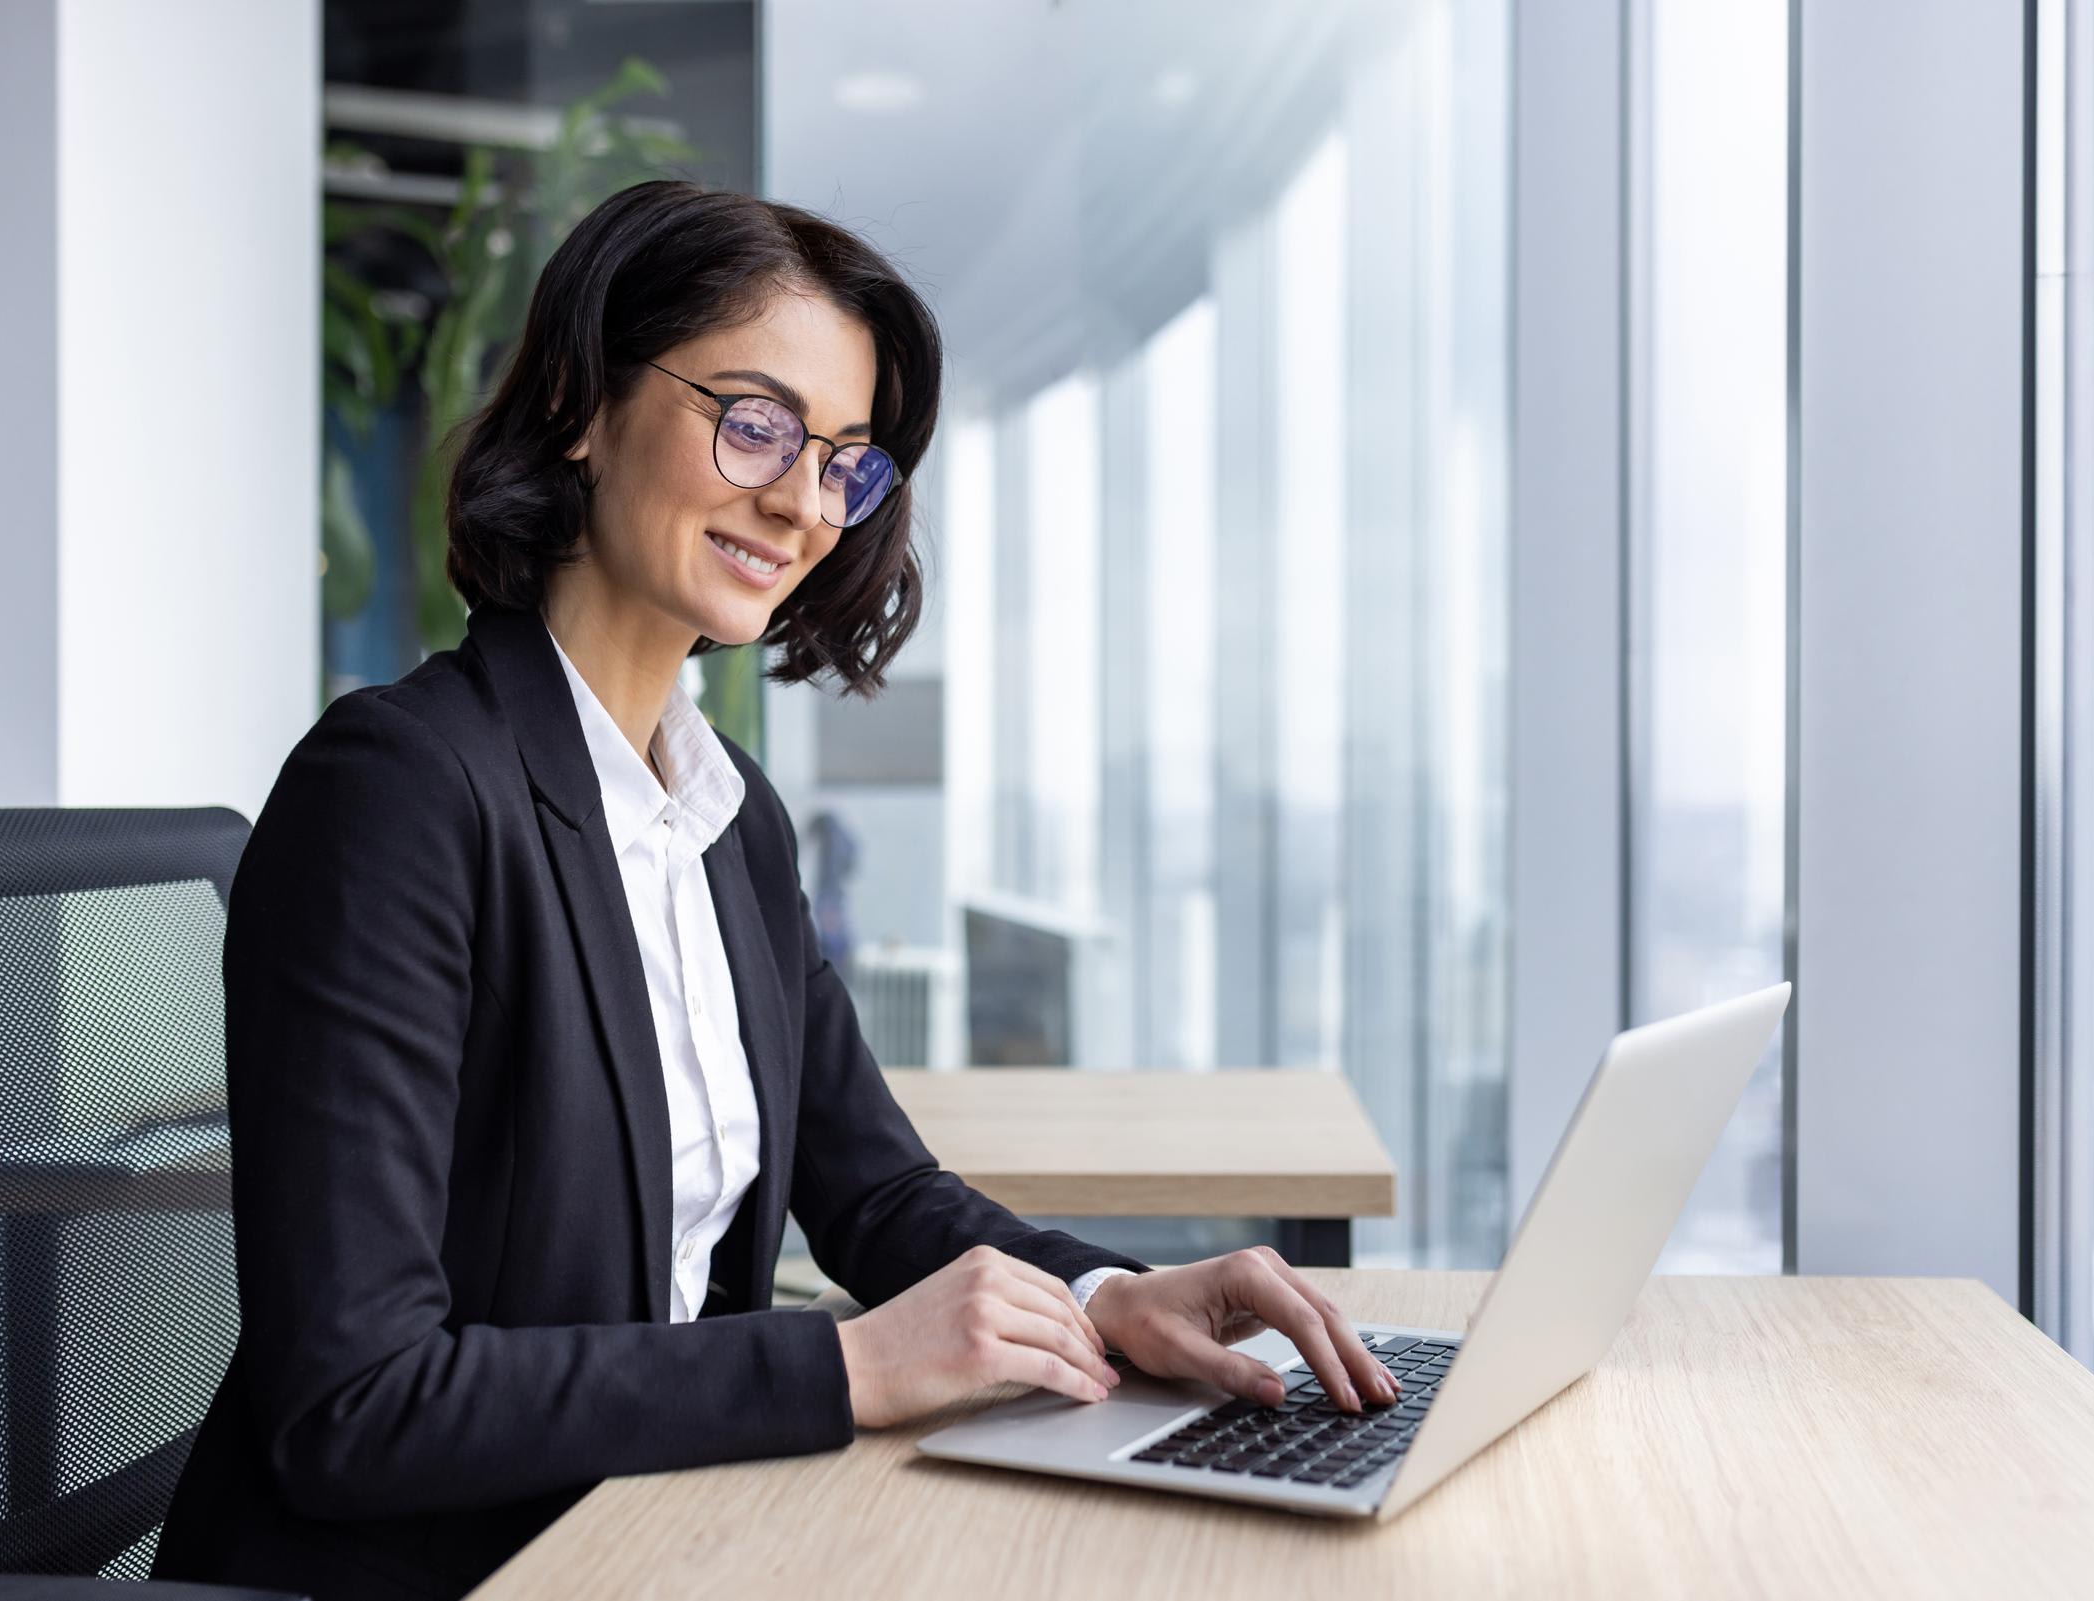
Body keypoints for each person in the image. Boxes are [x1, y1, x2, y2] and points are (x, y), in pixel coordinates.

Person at [152, 179, 1396, 1601]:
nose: (805, 499)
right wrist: (849, 1361)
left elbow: (879, 1194)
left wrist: (1110, 1298)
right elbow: (352, 1404)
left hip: (649, 1538)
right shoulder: (400, 792)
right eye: (756, 422)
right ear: (581, 402)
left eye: (845, 460)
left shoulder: (727, 817)